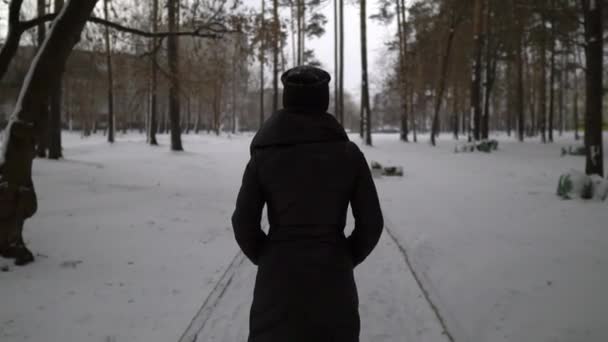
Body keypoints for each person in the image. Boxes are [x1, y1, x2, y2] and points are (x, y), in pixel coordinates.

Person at [232, 65, 384, 342]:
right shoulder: (349, 155)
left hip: (277, 278)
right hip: (333, 275)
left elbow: (243, 224)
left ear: (287, 100)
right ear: (323, 101)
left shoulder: (263, 157)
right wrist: (345, 256)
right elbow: (371, 223)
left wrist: (268, 256)